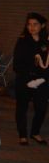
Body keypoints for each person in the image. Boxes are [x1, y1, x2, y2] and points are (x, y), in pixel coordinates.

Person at [13, 12, 49, 145]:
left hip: (42, 81)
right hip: (24, 80)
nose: (31, 27)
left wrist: (41, 79)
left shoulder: (46, 42)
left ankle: (35, 132)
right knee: (22, 107)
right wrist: (29, 80)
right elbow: (17, 64)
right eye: (29, 24)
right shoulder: (22, 41)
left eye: (35, 24)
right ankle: (22, 134)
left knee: (41, 107)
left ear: (43, 25)